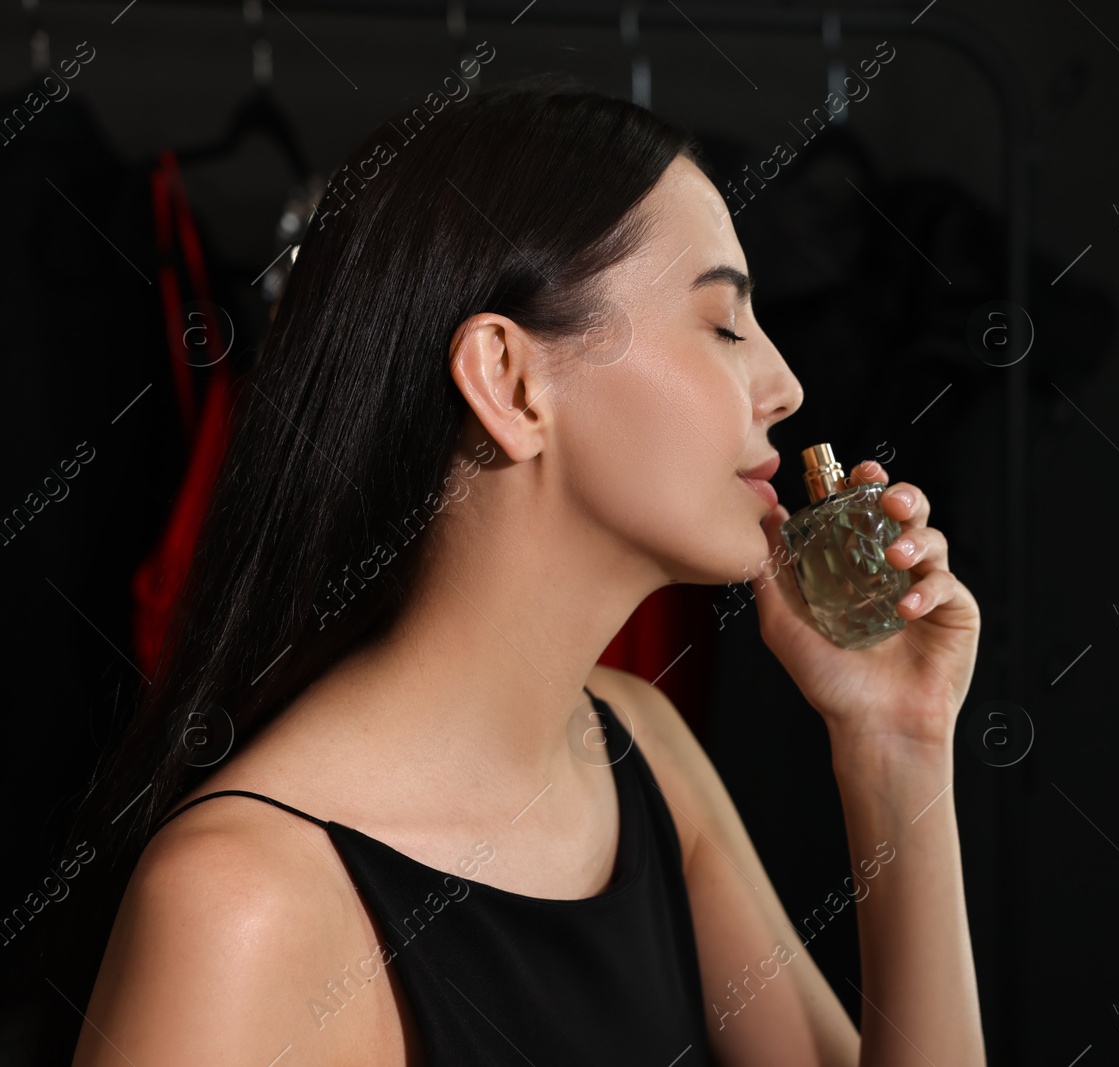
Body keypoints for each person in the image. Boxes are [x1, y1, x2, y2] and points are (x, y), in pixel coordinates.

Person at [68, 73, 984, 1066]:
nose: (783, 383)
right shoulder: (240, 904)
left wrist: (897, 746)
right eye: (724, 324)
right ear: (508, 380)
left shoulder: (645, 750)